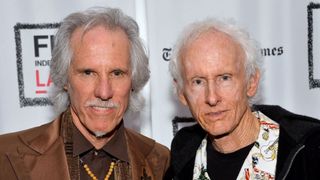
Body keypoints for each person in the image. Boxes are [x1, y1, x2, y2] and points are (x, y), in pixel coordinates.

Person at [0, 7, 169, 179]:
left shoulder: (159, 162)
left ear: (133, 81)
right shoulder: (7, 157)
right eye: (88, 73)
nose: (104, 92)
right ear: (65, 78)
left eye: (117, 73)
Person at [167, 18, 320, 180]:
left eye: (225, 78)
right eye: (198, 81)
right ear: (181, 92)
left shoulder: (309, 152)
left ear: (251, 82)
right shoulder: (183, 157)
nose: (212, 98)